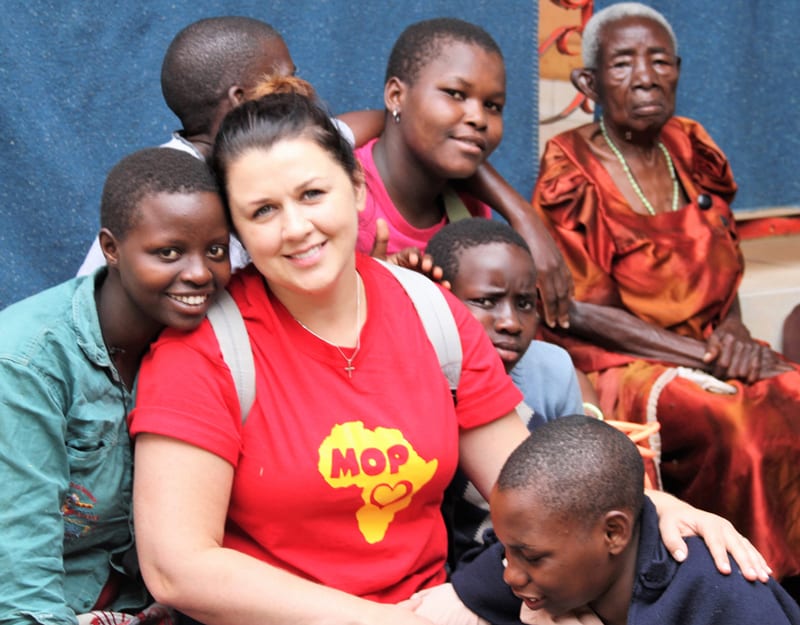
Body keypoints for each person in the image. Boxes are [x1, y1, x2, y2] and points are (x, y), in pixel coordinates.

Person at [128, 90, 771, 625]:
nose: (295, 228)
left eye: (312, 194)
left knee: (697, 568)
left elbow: (525, 483)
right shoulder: (206, 349)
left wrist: (656, 507)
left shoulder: (430, 313)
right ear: (237, 231)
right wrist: (390, 624)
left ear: (357, 189)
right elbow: (178, 568)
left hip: (444, 605)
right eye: (263, 211)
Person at [531, 1, 800, 581]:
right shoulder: (570, 166)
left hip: (711, 345)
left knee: (795, 392)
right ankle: (744, 582)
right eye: (623, 63)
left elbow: (723, 263)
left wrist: (732, 337)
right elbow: (579, 310)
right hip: (624, 361)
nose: (646, 76)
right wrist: (707, 356)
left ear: (678, 69)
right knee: (735, 425)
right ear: (589, 82)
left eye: (659, 61)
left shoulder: (690, 146)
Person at [0, 148, 231, 624]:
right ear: (111, 248)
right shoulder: (28, 362)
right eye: (168, 252)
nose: (199, 272)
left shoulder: (216, 341)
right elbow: (23, 588)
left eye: (216, 250)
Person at [350, 17, 574, 330]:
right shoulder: (344, 194)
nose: (478, 118)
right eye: (455, 93)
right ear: (396, 96)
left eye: (493, 106)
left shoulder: (468, 209)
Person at [492, 416, 800, 625]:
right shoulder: (539, 552)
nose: (511, 576)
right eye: (507, 552)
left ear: (613, 533)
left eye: (531, 557)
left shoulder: (724, 594)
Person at [77, 16, 298, 276]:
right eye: (285, 84)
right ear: (240, 99)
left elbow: (337, 130)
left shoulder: (249, 157)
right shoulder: (169, 192)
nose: (299, 95)